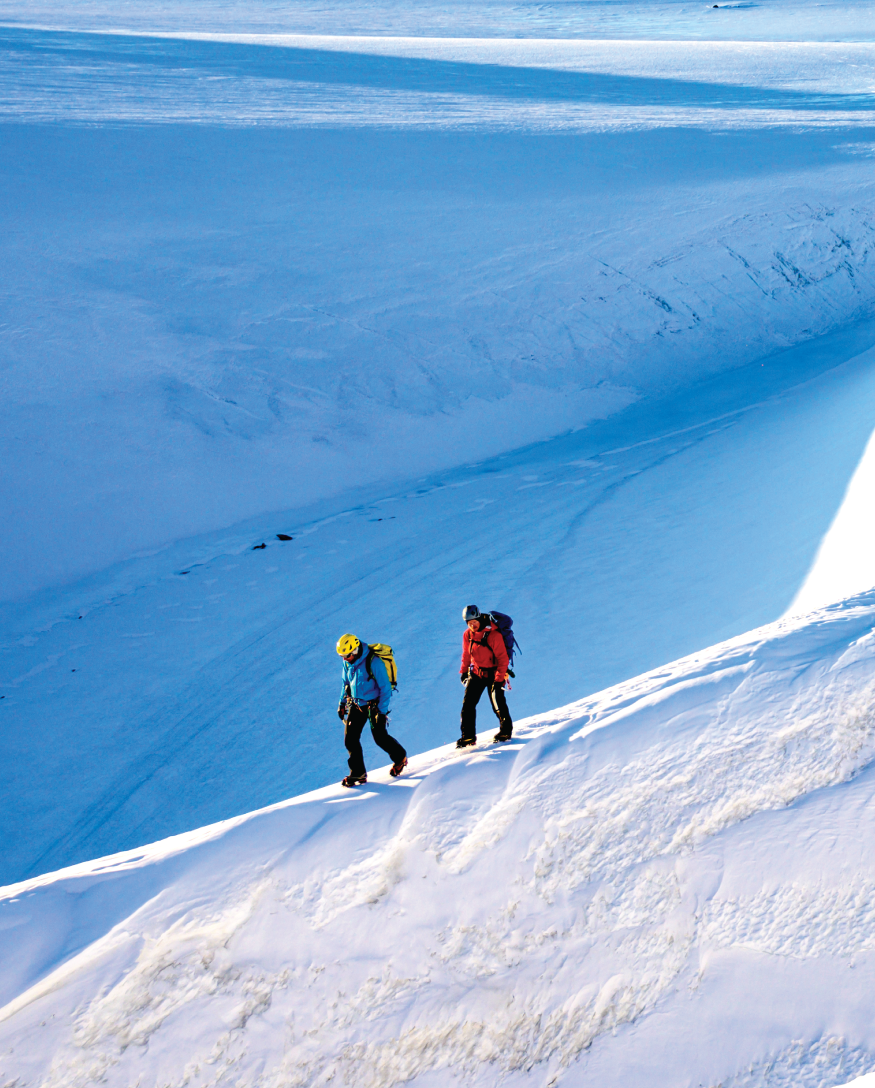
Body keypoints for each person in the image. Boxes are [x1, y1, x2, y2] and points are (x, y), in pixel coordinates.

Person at [336, 633, 407, 787]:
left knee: (380, 738)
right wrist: (342, 703)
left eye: (346, 655)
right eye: (342, 656)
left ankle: (400, 757)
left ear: (354, 651)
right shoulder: (348, 663)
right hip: (356, 704)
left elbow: (385, 689)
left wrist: (381, 713)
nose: (344, 659)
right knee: (350, 739)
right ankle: (358, 773)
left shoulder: (373, 662)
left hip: (373, 705)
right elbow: (345, 683)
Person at [457, 606, 513, 748]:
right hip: (476, 673)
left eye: (473, 622)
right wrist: (463, 672)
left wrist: (499, 679)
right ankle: (468, 737)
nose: (472, 625)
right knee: (468, 706)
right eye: (468, 623)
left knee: (498, 703)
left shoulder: (493, 635)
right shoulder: (467, 635)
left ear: (479, 618)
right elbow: (466, 655)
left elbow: (503, 659)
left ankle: (505, 731)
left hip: (494, 674)